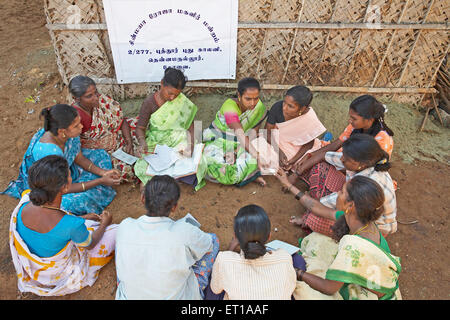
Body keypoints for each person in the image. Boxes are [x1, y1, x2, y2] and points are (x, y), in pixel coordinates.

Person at [9, 155, 117, 296]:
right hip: (59, 274)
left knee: (84, 225)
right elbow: (89, 244)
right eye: (69, 175)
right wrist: (104, 224)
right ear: (65, 187)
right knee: (117, 231)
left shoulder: (25, 202)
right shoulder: (71, 224)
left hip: (36, 268)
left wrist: (81, 218)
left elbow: (51, 226)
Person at [285, 176, 402, 300]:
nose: (337, 194)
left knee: (303, 292)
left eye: (341, 192)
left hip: (372, 295)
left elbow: (328, 288)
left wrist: (298, 273)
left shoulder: (353, 246)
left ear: (350, 205)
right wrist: (288, 184)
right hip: (380, 283)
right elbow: (316, 207)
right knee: (318, 239)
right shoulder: (362, 222)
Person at [1, 104, 120, 215]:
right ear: (62, 132)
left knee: (100, 156)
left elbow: (78, 157)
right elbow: (61, 189)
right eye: (76, 126)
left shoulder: (68, 135)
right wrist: (100, 181)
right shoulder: (48, 153)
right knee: (70, 204)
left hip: (65, 172)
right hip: (51, 186)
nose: (81, 127)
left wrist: (103, 173)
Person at [115, 175, 220, 300]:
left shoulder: (125, 226)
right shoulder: (185, 232)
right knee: (213, 239)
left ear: (142, 198)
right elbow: (208, 244)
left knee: (122, 245)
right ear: (174, 207)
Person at [278, 134, 397, 237]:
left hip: (370, 227)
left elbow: (315, 206)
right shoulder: (365, 162)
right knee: (320, 168)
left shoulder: (363, 186)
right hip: (356, 203)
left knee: (314, 218)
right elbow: (324, 155)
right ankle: (316, 203)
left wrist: (288, 185)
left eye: (346, 158)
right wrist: (296, 174)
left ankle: (310, 218)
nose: (342, 159)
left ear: (360, 164)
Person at [208, 204, 297, 300]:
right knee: (297, 259)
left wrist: (230, 249)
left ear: (235, 236)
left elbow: (215, 290)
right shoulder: (284, 258)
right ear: (269, 236)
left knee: (212, 279)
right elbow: (290, 288)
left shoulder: (223, 260)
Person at [133, 68, 200, 189]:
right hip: (157, 141)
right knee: (143, 165)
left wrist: (190, 146)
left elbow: (190, 125)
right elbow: (140, 128)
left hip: (178, 139)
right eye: (170, 93)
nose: (173, 98)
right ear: (162, 83)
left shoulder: (182, 102)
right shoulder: (149, 102)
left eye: (177, 94)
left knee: (198, 160)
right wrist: (142, 142)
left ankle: (171, 177)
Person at [69, 75, 138, 183]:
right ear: (76, 99)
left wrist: (128, 142)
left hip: (119, 135)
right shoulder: (75, 119)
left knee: (143, 130)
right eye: (89, 96)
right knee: (127, 170)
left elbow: (121, 120)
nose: (96, 97)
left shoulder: (102, 100)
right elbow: (78, 154)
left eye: (95, 92)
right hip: (102, 153)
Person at [200, 77, 268, 187]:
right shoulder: (229, 106)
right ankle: (249, 175)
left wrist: (236, 151)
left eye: (256, 98)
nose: (253, 103)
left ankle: (248, 174)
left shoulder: (259, 108)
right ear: (239, 95)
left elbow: (252, 133)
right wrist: (257, 156)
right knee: (213, 165)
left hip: (242, 143)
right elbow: (239, 132)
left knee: (261, 154)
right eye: (248, 99)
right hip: (217, 140)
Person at [263, 85, 326, 171]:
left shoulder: (310, 117)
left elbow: (308, 144)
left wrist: (293, 161)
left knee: (308, 161)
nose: (284, 108)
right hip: (277, 142)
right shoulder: (277, 107)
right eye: (284, 102)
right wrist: (279, 152)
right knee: (260, 149)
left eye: (290, 106)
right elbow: (267, 132)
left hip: (298, 149)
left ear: (303, 108)